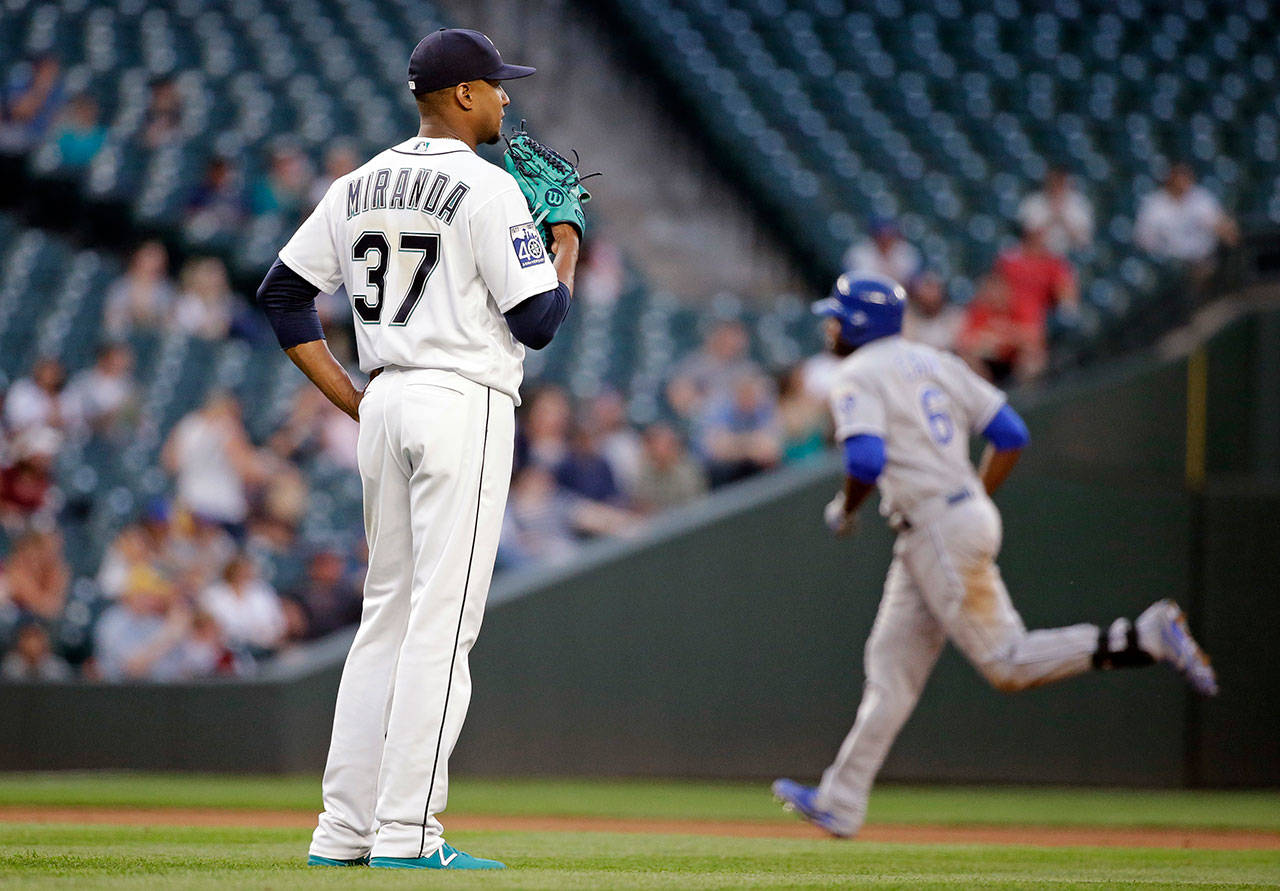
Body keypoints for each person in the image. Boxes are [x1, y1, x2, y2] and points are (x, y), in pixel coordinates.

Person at [255, 28, 583, 870]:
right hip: (460, 401)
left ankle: (343, 832)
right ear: (463, 95)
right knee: (442, 624)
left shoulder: (359, 181)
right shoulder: (487, 184)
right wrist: (569, 239)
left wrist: (356, 402)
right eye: (497, 85)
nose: (507, 98)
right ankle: (408, 834)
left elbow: (285, 295)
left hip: (390, 402)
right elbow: (538, 324)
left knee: (386, 622)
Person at [770, 273, 1218, 839]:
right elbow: (1010, 433)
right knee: (890, 672)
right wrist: (975, 497)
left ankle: (1145, 635)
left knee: (1007, 662)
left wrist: (848, 508)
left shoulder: (857, 372)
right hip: (945, 521)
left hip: (936, 525)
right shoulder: (936, 360)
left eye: (837, 315)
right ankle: (841, 800)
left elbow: (863, 461)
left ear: (860, 322)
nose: (830, 324)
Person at [1135, 162, 1239, 285]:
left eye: (1186, 179)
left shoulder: (1200, 197)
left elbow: (1221, 225)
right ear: (1170, 181)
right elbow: (1143, 239)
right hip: (1173, 263)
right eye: (1179, 180)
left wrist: (1226, 231)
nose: (1184, 184)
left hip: (1205, 257)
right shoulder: (1154, 205)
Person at [104, 241, 176, 338]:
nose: (155, 262)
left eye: (159, 258)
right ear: (137, 256)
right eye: (150, 256)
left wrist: (149, 317)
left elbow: (169, 322)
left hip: (154, 341)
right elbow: (112, 320)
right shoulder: (121, 286)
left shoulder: (166, 289)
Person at [1017, 167, 1093, 255]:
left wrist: (1062, 218)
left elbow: (1083, 242)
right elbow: (1029, 238)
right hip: (1040, 255)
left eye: (1060, 181)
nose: (1055, 185)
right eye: (1053, 181)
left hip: (1070, 256)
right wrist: (1052, 218)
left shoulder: (1079, 203)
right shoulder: (1033, 202)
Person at [842, 216, 921, 283]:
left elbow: (910, 282)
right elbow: (859, 281)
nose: (885, 238)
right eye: (881, 235)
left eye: (890, 234)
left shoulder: (907, 251)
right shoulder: (858, 252)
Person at [901, 271, 963, 353]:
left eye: (934, 289)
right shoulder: (908, 318)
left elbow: (959, 347)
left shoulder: (954, 316)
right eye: (926, 289)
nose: (930, 295)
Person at [1, 620, 72, 681]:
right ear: (19, 641)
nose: (32, 643)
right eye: (28, 637)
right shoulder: (10, 666)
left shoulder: (57, 667)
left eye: (37, 637)